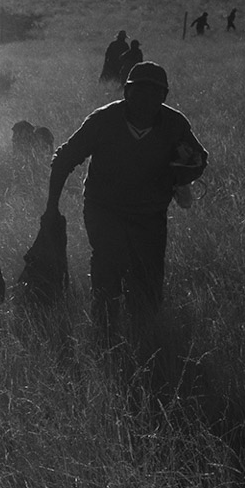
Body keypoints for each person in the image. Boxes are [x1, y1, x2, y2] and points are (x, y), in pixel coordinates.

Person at [45, 61, 208, 338]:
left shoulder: (174, 124)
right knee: (108, 268)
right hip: (104, 208)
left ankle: (145, 339)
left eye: (153, 93)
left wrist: (183, 173)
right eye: (138, 92)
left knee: (148, 278)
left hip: (150, 214)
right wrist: (51, 210)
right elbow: (63, 160)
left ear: (164, 97)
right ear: (126, 93)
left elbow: (199, 159)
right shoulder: (103, 120)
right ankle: (104, 335)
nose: (145, 100)